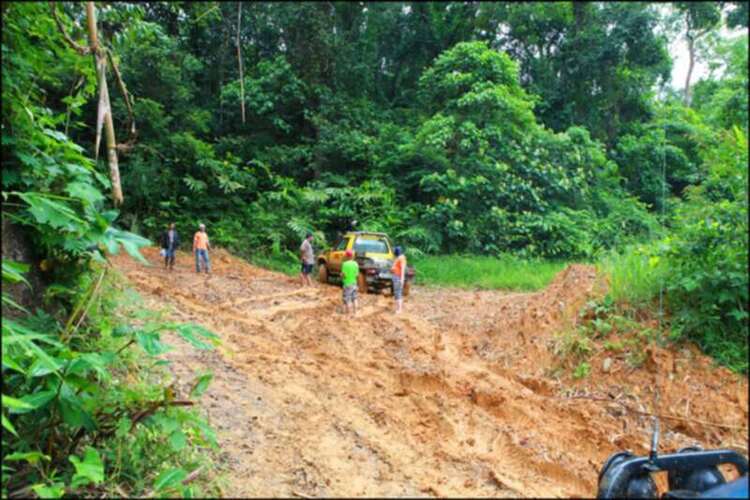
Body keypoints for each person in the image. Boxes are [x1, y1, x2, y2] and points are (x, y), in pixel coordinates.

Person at [341, 249, 359, 315]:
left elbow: (343, 275)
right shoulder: (355, 264)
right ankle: (356, 313)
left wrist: (341, 276)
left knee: (347, 299)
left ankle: (348, 314)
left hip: (347, 284)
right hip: (354, 283)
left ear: (346, 256)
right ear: (353, 256)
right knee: (355, 298)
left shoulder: (344, 264)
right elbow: (357, 274)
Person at [391, 246, 407, 313]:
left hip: (398, 277)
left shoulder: (402, 258)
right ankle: (397, 308)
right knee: (396, 292)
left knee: (398, 292)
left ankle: (399, 309)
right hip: (396, 276)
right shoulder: (399, 258)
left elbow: (403, 269)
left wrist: (402, 278)